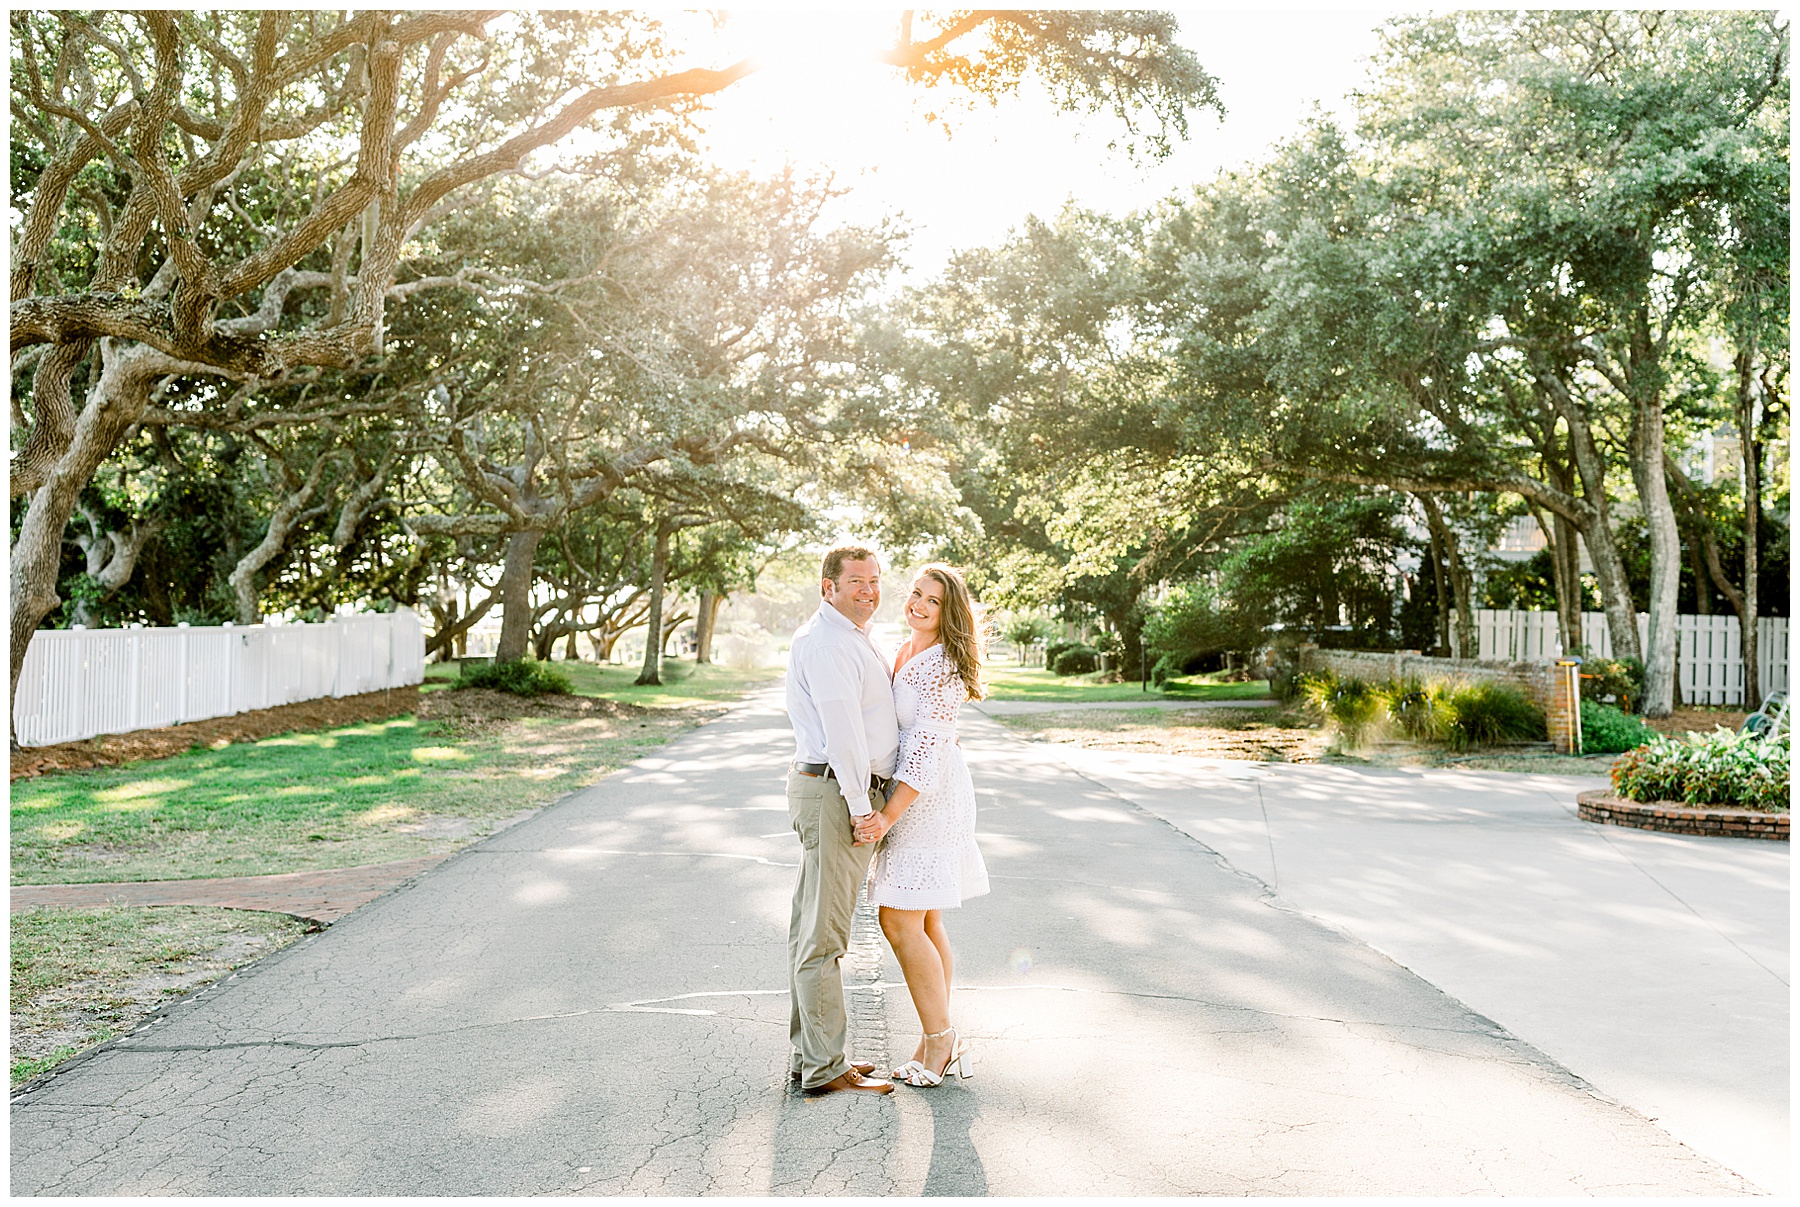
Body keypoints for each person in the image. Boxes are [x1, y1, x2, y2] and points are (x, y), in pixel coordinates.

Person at [854, 563, 991, 1088]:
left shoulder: (944, 667)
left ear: (948, 611)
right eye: (914, 593)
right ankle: (937, 1039)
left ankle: (940, 1041)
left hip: (927, 798)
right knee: (927, 921)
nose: (917, 604)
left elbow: (926, 750)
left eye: (931, 601)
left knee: (899, 920)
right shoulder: (902, 647)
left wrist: (889, 813)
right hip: (914, 790)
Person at [783, 546, 899, 1095]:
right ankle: (825, 1069)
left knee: (810, 926)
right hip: (836, 794)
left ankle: (811, 1056)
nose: (869, 590)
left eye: (874, 580)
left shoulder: (842, 636)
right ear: (827, 586)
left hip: (827, 789)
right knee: (825, 936)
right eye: (856, 581)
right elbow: (844, 736)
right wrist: (861, 810)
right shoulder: (830, 643)